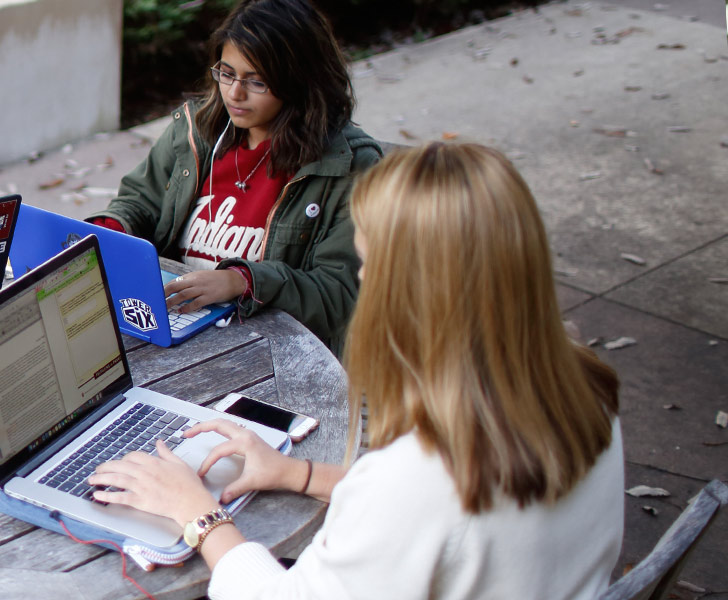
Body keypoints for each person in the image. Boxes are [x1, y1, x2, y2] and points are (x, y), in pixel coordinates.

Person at [88, 143, 625, 599]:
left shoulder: (421, 475)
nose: (363, 280)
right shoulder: (580, 384)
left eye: (370, 264)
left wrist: (198, 514)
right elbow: (421, 518)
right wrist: (297, 474)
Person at [86, 0, 379, 352]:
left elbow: (340, 294)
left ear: (301, 81)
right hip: (172, 326)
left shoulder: (349, 167)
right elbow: (141, 201)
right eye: (226, 73)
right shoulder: (195, 131)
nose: (234, 94)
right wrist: (108, 232)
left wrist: (241, 281)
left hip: (271, 352)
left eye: (257, 82)